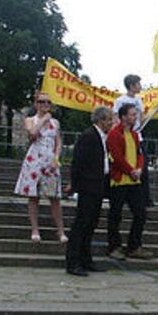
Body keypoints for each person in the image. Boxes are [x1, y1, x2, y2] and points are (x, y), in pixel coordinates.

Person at [65, 106, 114, 277]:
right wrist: (74, 184)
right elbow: (78, 162)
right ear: (101, 120)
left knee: (91, 225)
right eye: (109, 120)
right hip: (88, 186)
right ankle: (73, 262)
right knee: (82, 223)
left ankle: (86, 259)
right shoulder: (89, 136)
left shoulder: (102, 137)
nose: (111, 123)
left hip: (98, 185)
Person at [13, 92, 67, 243]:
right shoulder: (30, 120)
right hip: (35, 159)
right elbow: (32, 134)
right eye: (42, 102)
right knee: (34, 196)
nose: (46, 105)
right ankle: (35, 229)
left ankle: (60, 230)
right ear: (36, 104)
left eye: (48, 102)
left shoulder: (55, 123)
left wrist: (56, 158)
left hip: (49, 160)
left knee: (54, 197)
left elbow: (58, 142)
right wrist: (43, 119)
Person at [106, 103, 152, 260]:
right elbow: (117, 157)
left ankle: (134, 245)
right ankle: (114, 246)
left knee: (141, 213)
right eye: (132, 114)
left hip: (134, 181)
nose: (135, 117)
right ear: (123, 116)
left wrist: (139, 168)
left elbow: (139, 154)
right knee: (115, 215)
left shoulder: (133, 135)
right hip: (119, 181)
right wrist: (130, 170)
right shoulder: (114, 134)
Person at [114, 74, 153, 207]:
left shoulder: (139, 100)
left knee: (142, 165)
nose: (140, 86)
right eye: (138, 84)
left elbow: (141, 117)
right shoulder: (120, 100)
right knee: (124, 163)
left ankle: (145, 198)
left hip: (137, 136)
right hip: (123, 136)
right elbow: (115, 117)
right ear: (131, 86)